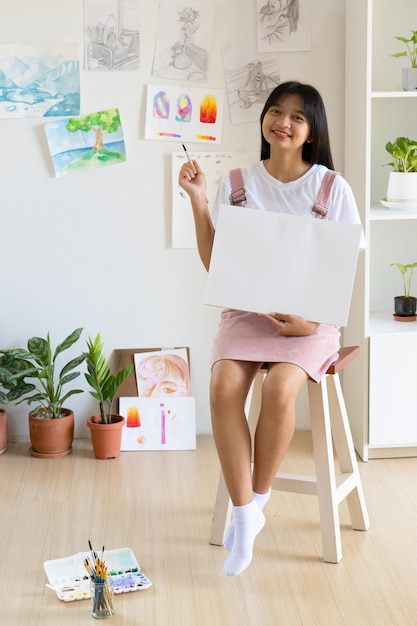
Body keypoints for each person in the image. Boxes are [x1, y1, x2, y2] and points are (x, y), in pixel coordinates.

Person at [178, 81, 365, 577]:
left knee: (282, 387)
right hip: (247, 315)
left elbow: (343, 270)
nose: (283, 121)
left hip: (311, 320)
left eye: (297, 117)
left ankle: (254, 506)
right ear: (264, 120)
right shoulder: (237, 182)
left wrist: (311, 322)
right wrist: (197, 199)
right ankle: (245, 517)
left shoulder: (332, 188)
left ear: (311, 131)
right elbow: (216, 263)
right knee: (223, 384)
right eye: (275, 111)